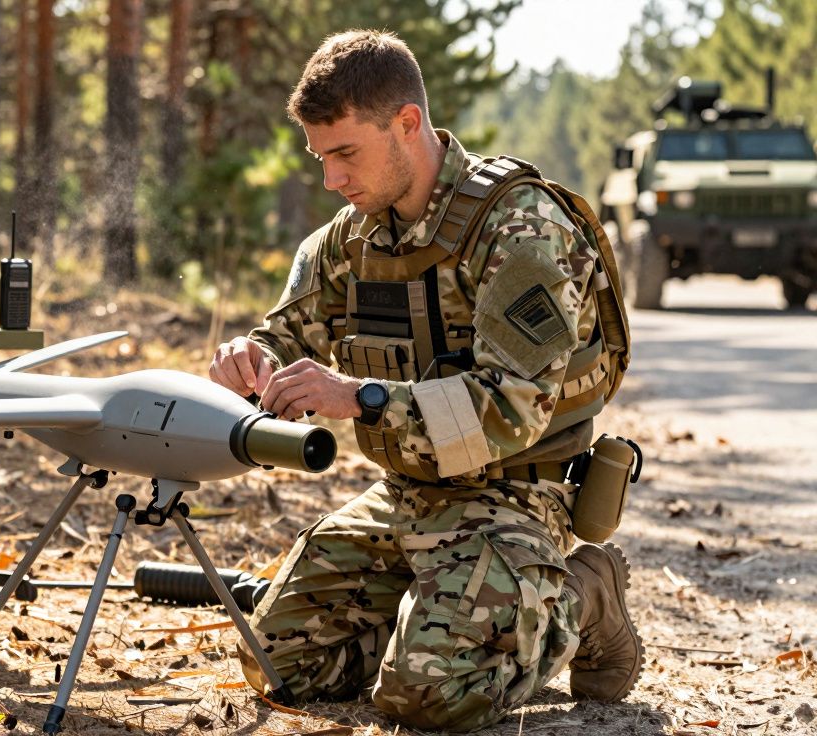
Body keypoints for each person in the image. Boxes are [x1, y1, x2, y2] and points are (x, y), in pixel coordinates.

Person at [208, 30, 642, 732]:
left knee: (428, 699)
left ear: (407, 124)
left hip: (514, 498)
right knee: (274, 660)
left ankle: (584, 594)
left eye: (345, 153)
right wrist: (247, 359)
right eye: (321, 158)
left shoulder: (522, 227)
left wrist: (358, 398)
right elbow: (281, 334)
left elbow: (511, 410)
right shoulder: (348, 241)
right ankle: (442, 619)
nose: (331, 179)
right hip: (406, 498)